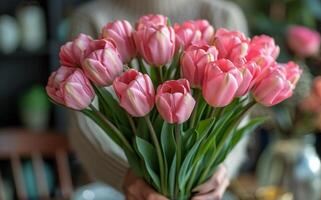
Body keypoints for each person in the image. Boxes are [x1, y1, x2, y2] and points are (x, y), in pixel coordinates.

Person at [68, 0, 249, 199]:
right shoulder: (91, 18)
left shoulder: (223, 16)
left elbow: (238, 116)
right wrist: (126, 178)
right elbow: (83, 126)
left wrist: (220, 167)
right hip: (114, 192)